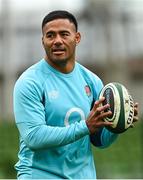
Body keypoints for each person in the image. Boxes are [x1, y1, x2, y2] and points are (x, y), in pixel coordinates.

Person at [13, 10, 139, 179]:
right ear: (43, 41)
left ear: (77, 38)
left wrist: (117, 124)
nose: (57, 41)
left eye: (64, 34)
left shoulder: (92, 81)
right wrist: (85, 126)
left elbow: (99, 140)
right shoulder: (29, 82)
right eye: (50, 35)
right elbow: (34, 137)